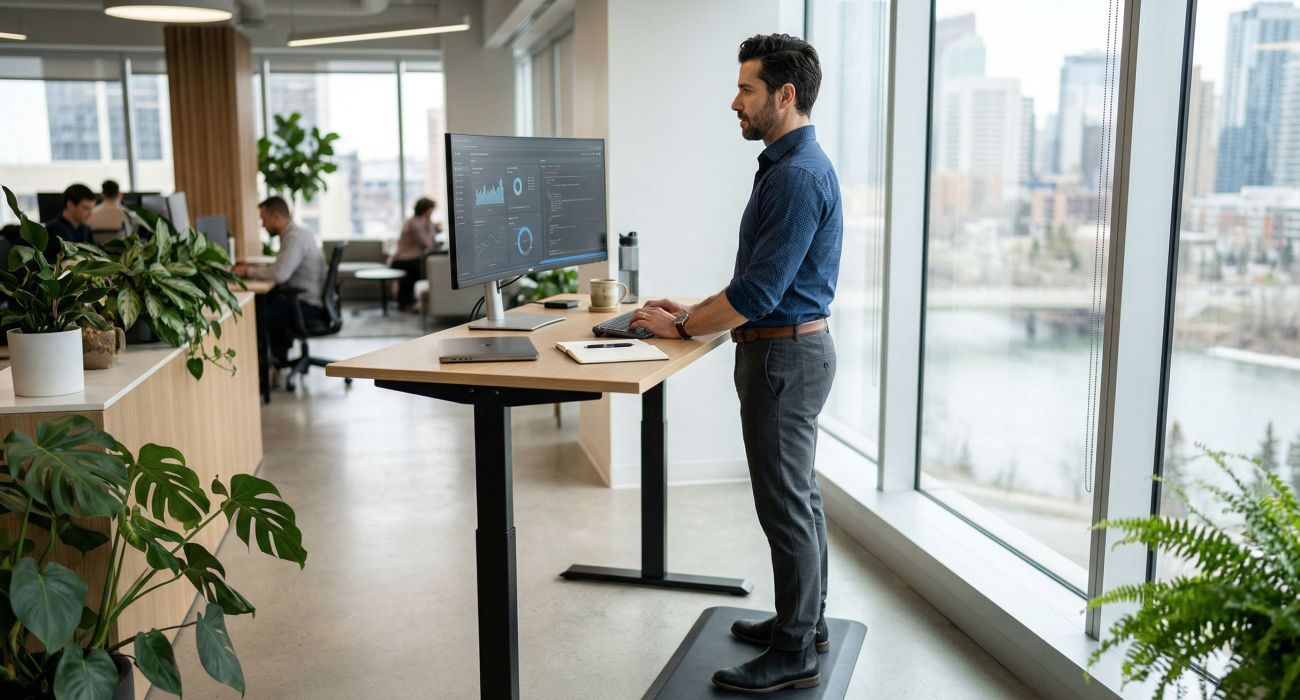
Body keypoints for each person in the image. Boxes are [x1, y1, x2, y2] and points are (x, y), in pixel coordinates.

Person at [629, 33, 842, 694]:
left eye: (746, 88)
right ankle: (803, 623)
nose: (734, 101)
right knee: (797, 498)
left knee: (785, 504)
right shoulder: (787, 166)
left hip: (783, 357)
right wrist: (691, 307)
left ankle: (796, 650)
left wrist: (684, 325)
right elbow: (761, 280)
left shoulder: (798, 176)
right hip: (786, 348)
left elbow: (757, 294)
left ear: (784, 94)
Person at [233, 196, 328, 369]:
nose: (262, 225)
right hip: (307, 301)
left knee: (253, 312)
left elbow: (279, 274)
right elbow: (281, 268)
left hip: (307, 306)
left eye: (264, 219)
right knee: (264, 304)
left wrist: (247, 271)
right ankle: (276, 361)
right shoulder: (297, 233)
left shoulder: (294, 238)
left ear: (276, 217)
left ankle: (265, 368)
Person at [389, 196, 442, 311]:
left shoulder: (419, 221)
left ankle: (406, 302)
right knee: (426, 270)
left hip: (407, 259)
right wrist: (432, 228)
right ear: (427, 210)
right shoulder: (415, 224)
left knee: (420, 268)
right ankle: (414, 302)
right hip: (403, 260)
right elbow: (427, 243)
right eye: (432, 210)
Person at [41, 183, 96, 260]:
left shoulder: (86, 229)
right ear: (70, 205)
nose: (90, 213)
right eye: (86, 208)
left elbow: (95, 254)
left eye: (91, 208)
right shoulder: (52, 230)